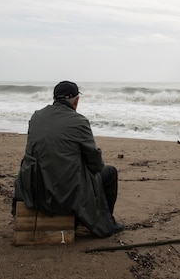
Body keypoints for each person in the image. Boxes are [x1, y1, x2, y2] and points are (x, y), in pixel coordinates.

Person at [13, 81, 124, 237]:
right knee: (110, 172)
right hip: (63, 192)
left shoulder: (37, 116)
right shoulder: (79, 122)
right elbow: (95, 163)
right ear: (76, 100)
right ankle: (106, 222)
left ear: (54, 97)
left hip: (33, 187)